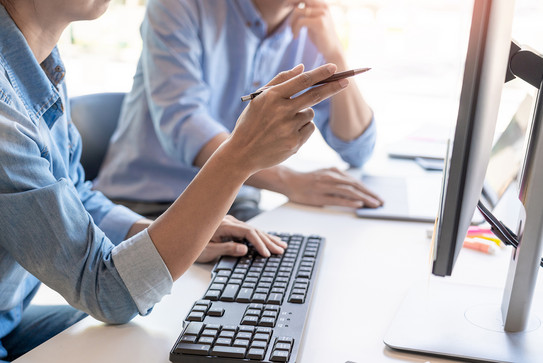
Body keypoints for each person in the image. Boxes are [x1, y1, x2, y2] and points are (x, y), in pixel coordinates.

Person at [0, 0, 348, 360]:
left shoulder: (39, 63)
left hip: (10, 320)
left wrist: (159, 229)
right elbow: (105, 290)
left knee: (169, 330)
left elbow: (77, 197)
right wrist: (238, 157)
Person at [94, 0, 384, 221]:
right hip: (144, 203)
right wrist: (290, 181)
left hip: (233, 204)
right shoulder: (179, 6)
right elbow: (184, 125)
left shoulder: (311, 27)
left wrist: (334, 52)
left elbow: (357, 149)